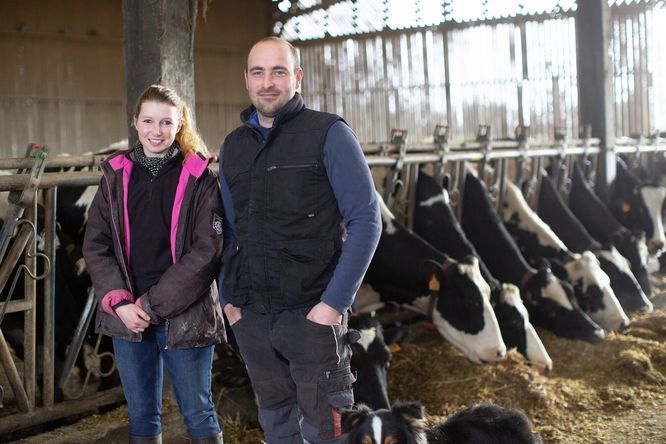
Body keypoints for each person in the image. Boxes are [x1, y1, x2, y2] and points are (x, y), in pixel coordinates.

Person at [218, 36, 382, 443]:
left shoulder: (329, 134)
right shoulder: (234, 147)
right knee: (275, 424)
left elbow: (366, 220)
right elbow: (228, 230)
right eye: (258, 72)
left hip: (312, 316)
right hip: (253, 320)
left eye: (278, 71)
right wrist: (229, 303)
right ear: (246, 80)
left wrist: (332, 305)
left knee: (327, 430)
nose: (267, 81)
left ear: (298, 77)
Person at [83, 85, 226, 444]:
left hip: (184, 312)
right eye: (148, 121)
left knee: (198, 411)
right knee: (141, 414)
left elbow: (206, 251)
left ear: (179, 124)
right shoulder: (114, 177)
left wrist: (147, 306)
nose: (156, 131)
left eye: (166, 122)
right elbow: (96, 244)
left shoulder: (200, 178)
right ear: (135, 123)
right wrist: (120, 302)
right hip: (126, 312)